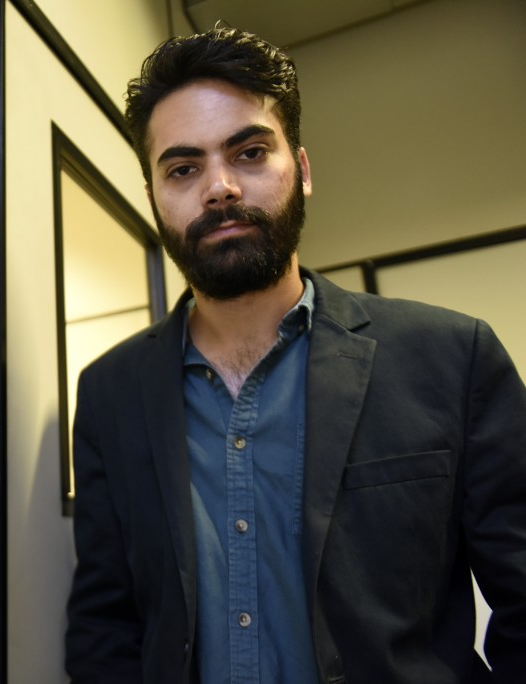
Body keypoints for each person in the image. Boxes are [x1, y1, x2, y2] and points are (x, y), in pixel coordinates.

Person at [64, 27, 526, 683]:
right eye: (183, 168)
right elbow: (104, 627)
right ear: (154, 199)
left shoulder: (453, 358)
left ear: (302, 170)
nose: (220, 188)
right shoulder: (110, 391)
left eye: (249, 152)